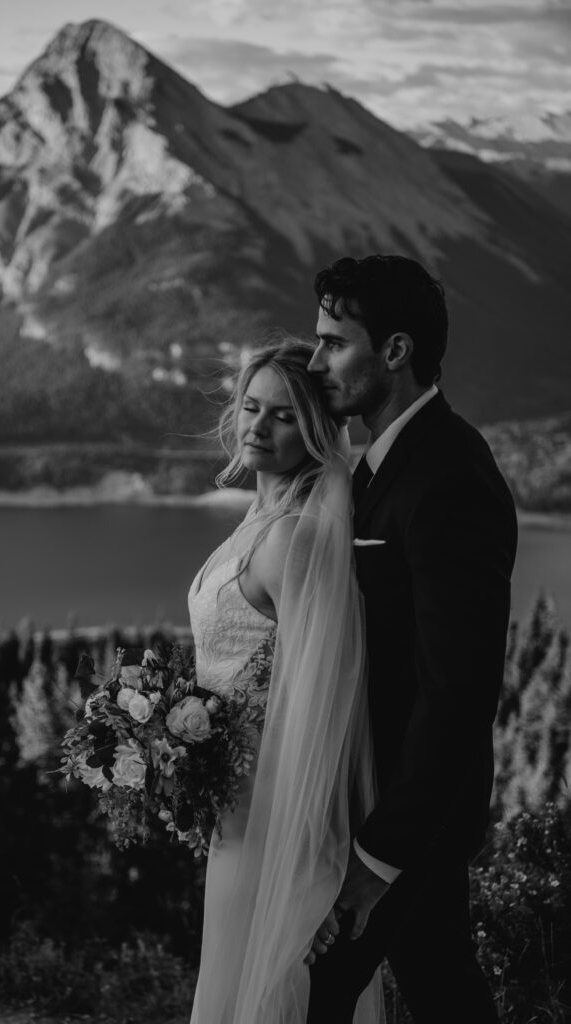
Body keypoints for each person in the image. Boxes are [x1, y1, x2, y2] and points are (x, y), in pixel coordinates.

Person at [306, 254, 518, 1024]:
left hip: (406, 820)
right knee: (441, 985)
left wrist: (378, 855)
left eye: (334, 342)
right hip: (378, 802)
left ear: (395, 351)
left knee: (315, 992)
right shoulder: (382, 466)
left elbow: (457, 691)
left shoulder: (448, 477)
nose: (315, 359)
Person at [188, 339, 383, 1024]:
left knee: (267, 982)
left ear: (319, 430)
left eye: (284, 416)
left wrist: (311, 854)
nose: (258, 428)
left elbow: (324, 700)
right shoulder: (259, 518)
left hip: (273, 805)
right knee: (231, 968)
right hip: (231, 797)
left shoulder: (295, 538)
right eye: (251, 407)